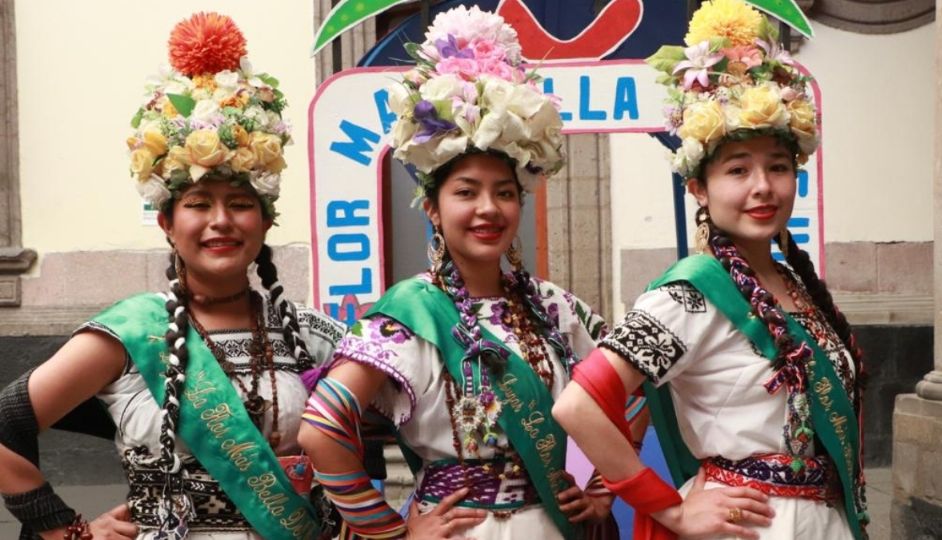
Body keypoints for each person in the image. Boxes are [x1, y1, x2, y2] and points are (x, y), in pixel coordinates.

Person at [0, 13, 345, 540]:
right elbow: (6, 427)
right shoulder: (131, 334)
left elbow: (415, 426)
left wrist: (405, 522)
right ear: (167, 222)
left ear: (266, 219)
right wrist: (68, 531)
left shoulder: (311, 335)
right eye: (199, 204)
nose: (221, 221)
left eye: (240, 204)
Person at [297, 6, 623, 539]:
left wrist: (608, 485)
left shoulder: (555, 307)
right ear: (433, 208)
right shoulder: (408, 313)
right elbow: (322, 428)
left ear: (521, 202)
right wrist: (392, 532)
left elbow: (633, 389)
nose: (487, 209)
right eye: (466, 192)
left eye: (504, 193)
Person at [553, 1, 869, 539]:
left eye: (777, 167)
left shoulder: (792, 282)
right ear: (699, 187)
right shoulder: (690, 296)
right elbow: (579, 404)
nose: (762, 187)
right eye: (737, 170)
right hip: (750, 523)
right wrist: (667, 508)